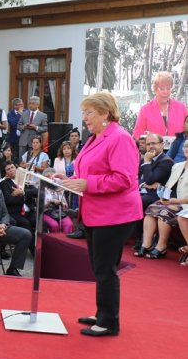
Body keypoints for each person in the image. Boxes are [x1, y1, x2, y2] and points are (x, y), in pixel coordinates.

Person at [58, 92, 142, 337]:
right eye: (84, 112)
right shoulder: (96, 137)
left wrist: (87, 184)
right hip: (96, 212)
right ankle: (102, 312)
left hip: (116, 214)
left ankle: (109, 322)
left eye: (89, 112)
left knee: (105, 267)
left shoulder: (120, 138)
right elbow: (87, 171)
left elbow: (124, 179)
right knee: (99, 266)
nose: (84, 118)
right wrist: (69, 179)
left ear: (105, 113)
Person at [132, 71, 188, 139]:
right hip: (152, 149)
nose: (165, 92)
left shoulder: (181, 108)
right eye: (162, 89)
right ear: (155, 89)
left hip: (178, 149)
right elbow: (137, 136)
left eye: (168, 88)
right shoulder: (145, 110)